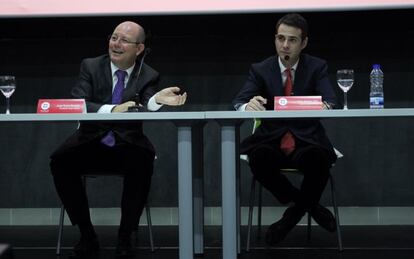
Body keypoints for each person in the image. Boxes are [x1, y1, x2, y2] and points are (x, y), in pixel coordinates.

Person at [50, 21, 187, 258]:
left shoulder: (149, 74)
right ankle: (86, 234)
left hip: (127, 144)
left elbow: (145, 104)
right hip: (90, 141)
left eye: (124, 40)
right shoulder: (91, 66)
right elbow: (78, 102)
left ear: (139, 48)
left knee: (142, 161)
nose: (116, 44)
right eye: (114, 38)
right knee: (60, 161)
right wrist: (112, 110)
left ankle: (126, 236)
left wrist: (158, 100)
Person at [232, 13, 338, 245]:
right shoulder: (261, 69)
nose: (285, 45)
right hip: (272, 139)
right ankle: (310, 206)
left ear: (304, 43)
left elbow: (331, 100)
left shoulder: (316, 66)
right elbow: (239, 101)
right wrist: (246, 105)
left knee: (318, 160)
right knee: (258, 157)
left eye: (292, 40)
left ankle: (288, 220)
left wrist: (323, 105)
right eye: (281, 38)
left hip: (306, 139)